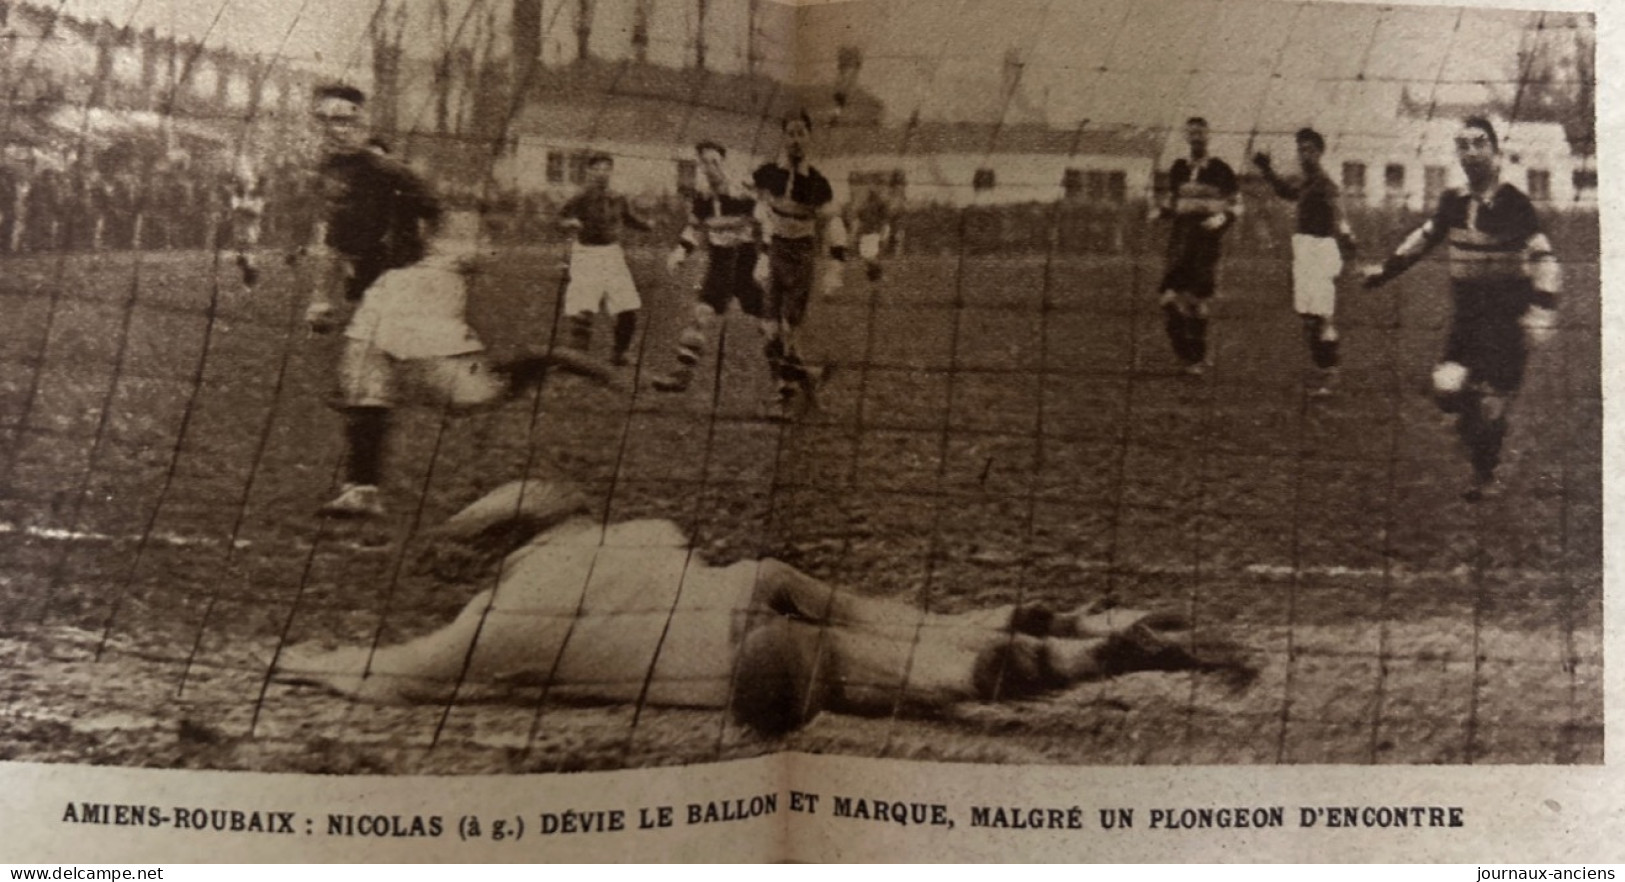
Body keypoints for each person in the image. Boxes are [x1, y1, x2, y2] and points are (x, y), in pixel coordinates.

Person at [273, 480, 1253, 734]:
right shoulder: (627, 532)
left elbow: (395, 679)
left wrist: (308, 663)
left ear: (492, 555)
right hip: (753, 580)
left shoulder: (496, 627)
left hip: (742, 651)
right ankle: (1080, 616)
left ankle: (1112, 651)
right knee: (921, 625)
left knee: (940, 677)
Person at [316, 209, 614, 518]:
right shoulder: (404, 232)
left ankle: (548, 359)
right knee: (368, 380)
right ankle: (362, 488)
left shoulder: (433, 235)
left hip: (423, 299)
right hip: (399, 295)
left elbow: (470, 252)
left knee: (470, 395)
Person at [1363, 116, 1561, 502]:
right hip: (1468, 317)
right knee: (1447, 386)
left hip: (1506, 317)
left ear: (1495, 150)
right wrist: (1385, 271)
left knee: (1491, 404)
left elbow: (1547, 261)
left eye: (1478, 143)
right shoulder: (1453, 201)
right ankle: (1478, 444)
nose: (1470, 151)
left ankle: (1484, 477)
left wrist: (1541, 311)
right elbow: (1423, 238)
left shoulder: (1514, 203)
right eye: (1463, 144)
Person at [750, 111, 846, 419]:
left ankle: (783, 396)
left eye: (801, 133)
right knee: (769, 331)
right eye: (790, 133)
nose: (795, 140)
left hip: (802, 255)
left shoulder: (817, 182)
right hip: (776, 250)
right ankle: (811, 379)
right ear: (783, 137)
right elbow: (748, 202)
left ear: (809, 136)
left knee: (791, 329)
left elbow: (834, 226)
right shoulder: (767, 173)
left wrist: (836, 269)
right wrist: (761, 252)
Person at [651, 140, 765, 394]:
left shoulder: (741, 194)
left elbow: (764, 223)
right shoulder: (703, 198)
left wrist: (764, 259)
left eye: (715, 161)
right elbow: (694, 227)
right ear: (700, 166)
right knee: (700, 315)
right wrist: (680, 251)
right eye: (705, 162)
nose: (711, 167)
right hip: (720, 265)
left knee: (768, 325)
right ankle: (681, 375)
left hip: (744, 266)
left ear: (723, 163)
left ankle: (800, 376)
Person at [1253, 127, 1358, 396]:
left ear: (1320, 153)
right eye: (1301, 149)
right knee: (1309, 316)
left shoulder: (1325, 182)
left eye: (1310, 149)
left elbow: (1338, 209)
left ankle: (1331, 373)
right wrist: (1267, 170)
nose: (1304, 154)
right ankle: (1324, 368)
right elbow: (1285, 191)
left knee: (1323, 314)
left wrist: (1346, 233)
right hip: (1303, 249)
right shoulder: (1304, 182)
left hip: (1322, 248)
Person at [1152, 117, 1239, 377]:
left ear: (1208, 136)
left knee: (1196, 301)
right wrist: (1160, 212)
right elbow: (1173, 202)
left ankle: (1196, 360)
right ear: (1186, 137)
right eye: (1191, 133)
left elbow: (1237, 205)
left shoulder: (1221, 169)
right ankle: (1186, 354)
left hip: (1205, 240)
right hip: (1180, 238)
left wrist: (1220, 218)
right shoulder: (1178, 168)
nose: (1196, 138)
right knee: (1167, 298)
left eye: (1200, 133)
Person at [558, 152, 653, 366]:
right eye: (597, 169)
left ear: (611, 171)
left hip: (611, 253)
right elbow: (561, 218)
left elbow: (628, 218)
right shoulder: (581, 196)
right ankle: (576, 356)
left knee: (627, 305)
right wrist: (570, 223)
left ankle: (620, 353)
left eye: (606, 169)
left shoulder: (617, 197)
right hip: (586, 252)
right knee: (584, 304)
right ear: (589, 171)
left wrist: (646, 225)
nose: (602, 173)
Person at [227, 159, 267, 290]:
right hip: (239, 226)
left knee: (247, 255)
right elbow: (233, 208)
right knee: (240, 258)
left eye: (248, 181)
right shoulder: (237, 194)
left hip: (250, 227)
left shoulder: (257, 195)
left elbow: (256, 212)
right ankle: (249, 278)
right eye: (243, 181)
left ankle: (251, 282)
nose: (246, 184)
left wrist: (242, 208)